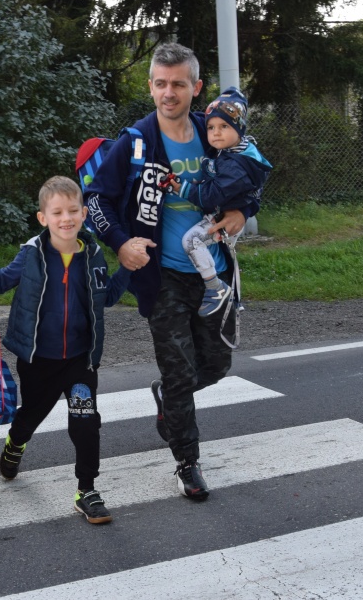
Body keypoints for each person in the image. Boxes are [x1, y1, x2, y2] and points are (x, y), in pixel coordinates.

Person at [83, 43, 259, 501]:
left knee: (217, 364)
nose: (168, 93)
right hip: (162, 277)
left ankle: (168, 394)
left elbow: (249, 176)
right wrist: (121, 243)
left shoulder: (214, 130)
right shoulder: (137, 141)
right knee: (180, 369)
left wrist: (242, 210)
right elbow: (96, 200)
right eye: (160, 83)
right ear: (150, 86)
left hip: (215, 276)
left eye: (178, 84)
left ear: (196, 88)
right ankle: (187, 462)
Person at [0, 176, 132, 525]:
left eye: (72, 210)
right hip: (38, 360)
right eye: (57, 212)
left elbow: (109, 297)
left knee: (85, 422)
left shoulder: (94, 254)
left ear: (84, 213)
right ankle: (15, 443)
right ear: (43, 218)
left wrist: (128, 268)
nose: (66, 218)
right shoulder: (32, 254)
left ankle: (87, 490)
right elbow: (0, 282)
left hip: (80, 361)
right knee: (32, 414)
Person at [173, 87, 272, 317]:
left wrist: (183, 189)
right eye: (211, 127)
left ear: (239, 128)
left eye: (224, 126)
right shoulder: (236, 150)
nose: (216, 133)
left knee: (192, 241)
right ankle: (235, 299)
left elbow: (212, 195)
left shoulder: (235, 164)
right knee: (227, 254)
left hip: (221, 216)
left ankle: (214, 287)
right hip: (225, 211)